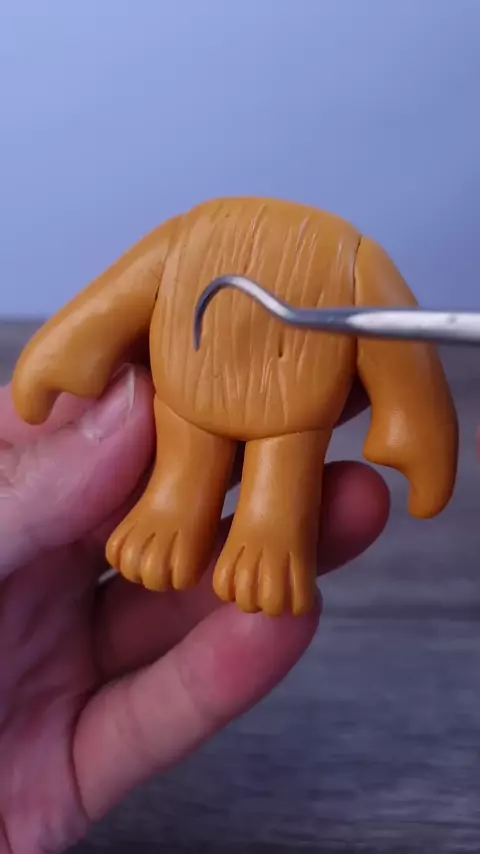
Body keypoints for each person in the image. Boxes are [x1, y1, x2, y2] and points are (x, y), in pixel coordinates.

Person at [0, 364, 390, 853]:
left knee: (281, 465)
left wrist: (410, 413)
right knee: (189, 459)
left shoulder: (332, 313)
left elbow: (388, 345)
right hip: (188, 401)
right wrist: (58, 361)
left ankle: (266, 533)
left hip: (291, 411)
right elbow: (109, 319)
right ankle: (183, 517)